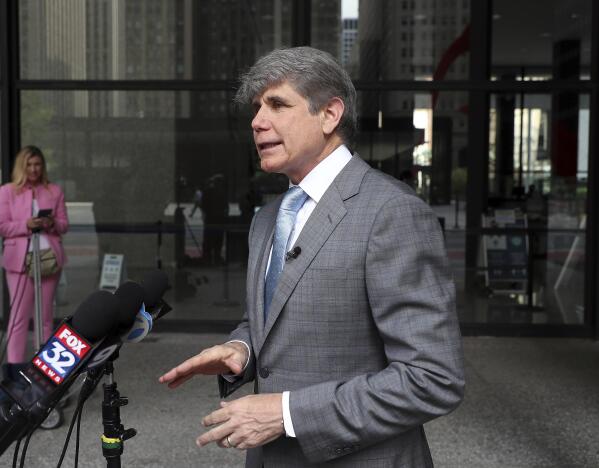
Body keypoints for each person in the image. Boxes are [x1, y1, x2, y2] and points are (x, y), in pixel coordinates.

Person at [160, 47, 464, 467]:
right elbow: (267, 319)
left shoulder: (391, 212)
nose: (257, 121)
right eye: (256, 108)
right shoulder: (267, 218)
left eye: (278, 104)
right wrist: (241, 350)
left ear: (330, 114)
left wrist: (286, 414)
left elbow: (432, 378)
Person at [0, 146, 68, 378]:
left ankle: (46, 374)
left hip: (48, 259)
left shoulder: (54, 191)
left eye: (37, 164)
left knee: (45, 318)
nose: (33, 169)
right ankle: (13, 375)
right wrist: (25, 225)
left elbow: (64, 225)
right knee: (19, 318)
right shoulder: (7, 192)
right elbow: (2, 226)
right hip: (19, 261)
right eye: (29, 165)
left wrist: (50, 223)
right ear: (22, 166)